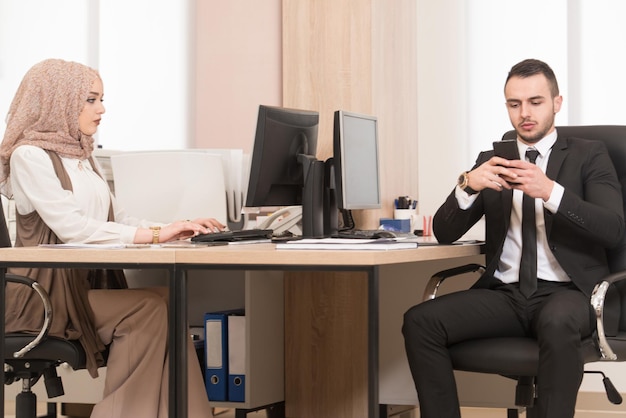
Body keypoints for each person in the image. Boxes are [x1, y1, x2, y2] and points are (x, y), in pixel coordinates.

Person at [402, 58, 625, 418]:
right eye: (514, 103)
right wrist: (468, 184)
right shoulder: (493, 160)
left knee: (557, 320)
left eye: (535, 102)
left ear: (556, 103)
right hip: (506, 295)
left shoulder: (589, 155)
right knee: (420, 322)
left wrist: (551, 192)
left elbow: (613, 230)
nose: (525, 113)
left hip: (569, 293)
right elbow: (444, 231)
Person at [0, 59, 221, 417]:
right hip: (41, 298)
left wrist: (171, 227)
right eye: (90, 99)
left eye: (101, 99)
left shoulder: (82, 155)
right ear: (59, 100)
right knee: (146, 310)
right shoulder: (30, 156)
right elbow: (73, 227)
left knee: (169, 299)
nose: (101, 109)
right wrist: (152, 235)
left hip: (76, 288)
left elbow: (114, 218)